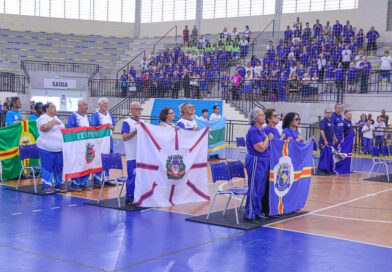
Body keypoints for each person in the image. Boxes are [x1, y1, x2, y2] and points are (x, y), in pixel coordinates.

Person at [244, 108, 271, 222]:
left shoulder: (261, 130)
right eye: (261, 115)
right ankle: (250, 213)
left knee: (260, 188)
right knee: (255, 187)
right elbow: (260, 148)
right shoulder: (254, 130)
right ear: (255, 118)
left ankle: (257, 211)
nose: (264, 116)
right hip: (256, 160)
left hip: (264, 161)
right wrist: (268, 139)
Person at [36, 103, 66, 194]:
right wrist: (53, 122)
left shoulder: (56, 118)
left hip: (59, 149)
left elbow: (63, 129)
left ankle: (58, 184)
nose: (55, 109)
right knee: (47, 167)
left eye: (55, 107)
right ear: (47, 109)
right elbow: (44, 128)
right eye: (52, 107)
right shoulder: (42, 118)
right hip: (46, 148)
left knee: (59, 167)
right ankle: (47, 185)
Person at [66, 99, 93, 191]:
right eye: (85, 105)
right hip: (77, 145)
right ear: (79, 106)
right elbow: (69, 129)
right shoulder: (74, 115)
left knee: (86, 162)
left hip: (86, 145)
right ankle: (75, 183)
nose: (87, 107)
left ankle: (83, 182)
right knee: (77, 163)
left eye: (87, 105)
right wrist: (80, 129)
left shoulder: (86, 116)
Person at [122, 102, 144, 206]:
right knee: (132, 177)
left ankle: (139, 196)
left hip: (142, 156)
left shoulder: (143, 122)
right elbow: (125, 137)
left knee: (142, 177)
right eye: (137, 109)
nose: (139, 111)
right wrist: (136, 131)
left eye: (141, 109)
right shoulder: (126, 122)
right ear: (132, 110)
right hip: (132, 155)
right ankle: (129, 198)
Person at [91, 98, 116, 185]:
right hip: (100, 141)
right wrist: (105, 126)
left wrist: (111, 126)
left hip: (109, 139)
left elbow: (114, 127)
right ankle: (97, 178)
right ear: (99, 105)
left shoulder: (110, 115)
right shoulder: (95, 115)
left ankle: (106, 177)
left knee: (108, 158)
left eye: (107, 103)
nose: (106, 105)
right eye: (104, 103)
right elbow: (93, 128)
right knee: (99, 158)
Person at [318, 108, 336, 175]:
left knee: (329, 156)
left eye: (330, 112)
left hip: (330, 142)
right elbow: (322, 131)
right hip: (324, 142)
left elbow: (332, 131)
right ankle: (321, 170)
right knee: (324, 156)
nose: (329, 113)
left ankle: (328, 169)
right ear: (325, 113)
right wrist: (325, 140)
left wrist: (335, 138)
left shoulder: (331, 121)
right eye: (327, 112)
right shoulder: (323, 121)